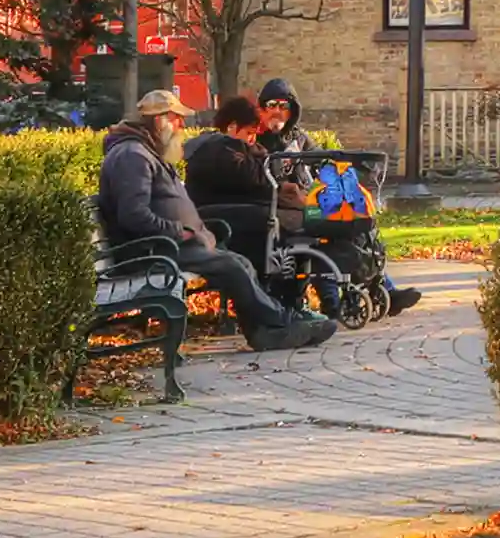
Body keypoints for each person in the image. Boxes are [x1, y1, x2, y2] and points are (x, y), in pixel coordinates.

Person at [98, 89, 331, 352]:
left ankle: (265, 329)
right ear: (159, 120)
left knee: (239, 262)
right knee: (231, 265)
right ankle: (280, 324)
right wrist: (179, 231)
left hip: (174, 244)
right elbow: (133, 215)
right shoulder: (131, 156)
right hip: (156, 250)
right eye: (177, 119)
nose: (182, 125)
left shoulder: (146, 152)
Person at [253, 76, 421, 314]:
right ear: (262, 109)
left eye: (284, 106)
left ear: (292, 111)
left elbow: (324, 160)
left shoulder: (299, 139)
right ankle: (331, 297)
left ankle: (383, 287)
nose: (277, 112)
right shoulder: (257, 142)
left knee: (361, 224)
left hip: (309, 202)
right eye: (271, 105)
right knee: (328, 231)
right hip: (281, 207)